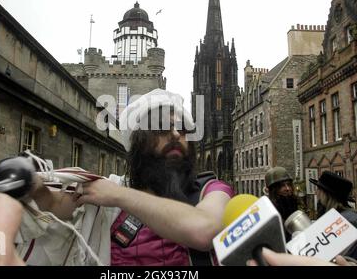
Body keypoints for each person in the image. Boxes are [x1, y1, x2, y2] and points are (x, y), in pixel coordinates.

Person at [28, 89, 234, 266]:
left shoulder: (212, 190)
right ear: (139, 142)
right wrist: (37, 190)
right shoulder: (109, 198)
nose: (175, 135)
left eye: (183, 129)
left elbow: (204, 231)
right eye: (162, 127)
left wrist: (118, 195)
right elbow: (57, 214)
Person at [309, 171, 357, 262]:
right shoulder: (341, 217)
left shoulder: (349, 220)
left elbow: (341, 260)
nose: (316, 193)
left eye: (319, 189)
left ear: (327, 195)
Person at [264, 166, 300, 240]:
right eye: (282, 186)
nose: (287, 188)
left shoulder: (293, 203)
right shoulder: (270, 210)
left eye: (288, 185)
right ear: (274, 189)